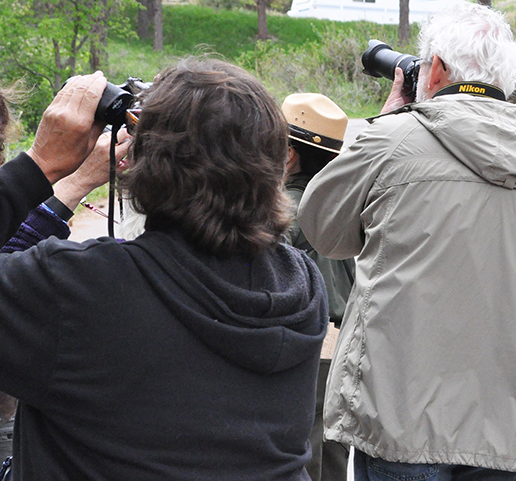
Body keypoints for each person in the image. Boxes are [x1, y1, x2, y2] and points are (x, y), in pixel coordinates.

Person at [0, 60, 328, 480]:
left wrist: (41, 164)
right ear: (279, 165)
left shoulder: (78, 290)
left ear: (141, 162)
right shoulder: (300, 287)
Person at [298, 1, 516, 481]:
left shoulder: (392, 139)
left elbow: (322, 228)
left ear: (439, 69)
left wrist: (381, 121)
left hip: (405, 413)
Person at [281, 92, 355, 481]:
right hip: (345, 346)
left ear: (290, 155)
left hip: (310, 348)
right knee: (333, 456)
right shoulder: (341, 203)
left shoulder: (281, 211)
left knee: (308, 460)